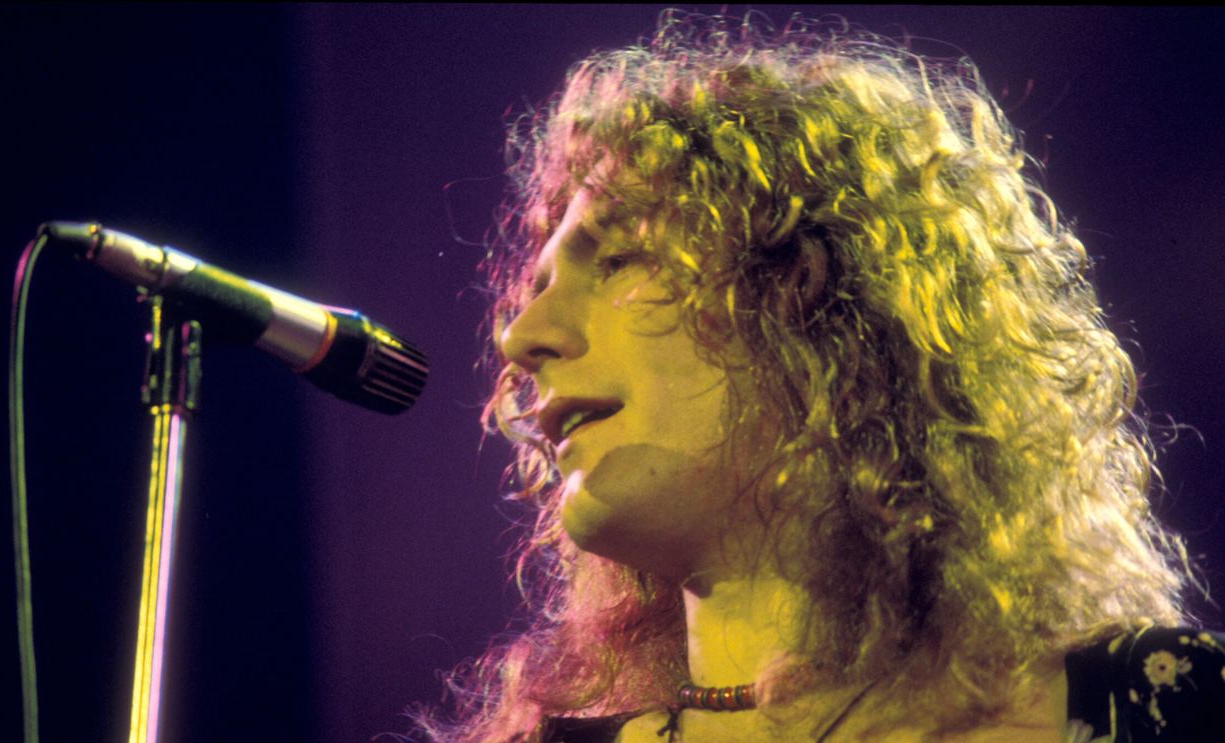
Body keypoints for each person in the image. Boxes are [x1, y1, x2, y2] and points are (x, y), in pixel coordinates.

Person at [417, 13, 1224, 742]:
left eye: (620, 257)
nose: (523, 337)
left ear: (822, 295)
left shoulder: (1170, 703)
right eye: (536, 291)